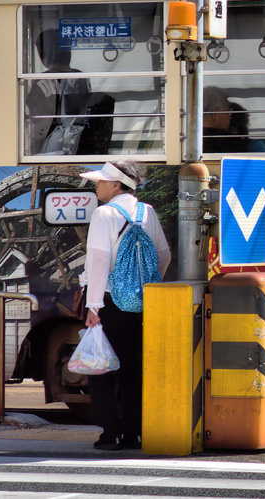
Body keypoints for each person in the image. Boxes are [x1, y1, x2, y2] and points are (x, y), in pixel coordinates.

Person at [79, 160, 171, 451]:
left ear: (116, 185)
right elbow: (163, 255)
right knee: (132, 367)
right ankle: (133, 433)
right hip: (139, 300)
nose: (97, 185)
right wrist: (142, 289)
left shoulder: (104, 213)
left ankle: (110, 435)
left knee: (101, 365)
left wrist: (93, 306)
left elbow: (97, 260)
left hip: (107, 300)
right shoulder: (148, 212)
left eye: (101, 181)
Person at [25, 28, 114, 155]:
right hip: (77, 140)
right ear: (68, 53)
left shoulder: (40, 80)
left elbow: (33, 114)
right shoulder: (80, 77)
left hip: (49, 143)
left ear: (43, 56)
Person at [203, 86, 265, 153]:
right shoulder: (233, 145)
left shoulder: (193, 141)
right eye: (228, 112)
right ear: (215, 114)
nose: (230, 117)